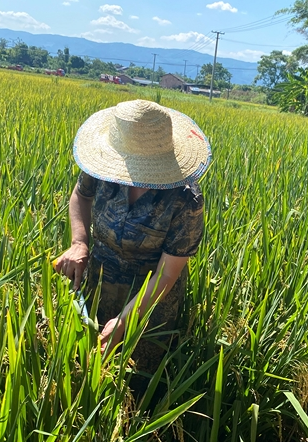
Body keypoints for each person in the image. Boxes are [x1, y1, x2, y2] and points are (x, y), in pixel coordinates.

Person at [54, 99, 210, 381]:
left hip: (151, 299)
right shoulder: (102, 165)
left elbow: (166, 274)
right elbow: (81, 196)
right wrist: (79, 242)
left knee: (136, 379)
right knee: (85, 365)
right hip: (98, 282)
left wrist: (126, 320)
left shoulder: (186, 200)